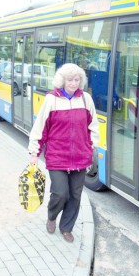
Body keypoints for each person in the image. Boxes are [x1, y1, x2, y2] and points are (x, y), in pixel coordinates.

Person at [28, 63, 100, 243]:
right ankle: (52, 216)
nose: (74, 83)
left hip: (80, 158)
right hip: (57, 156)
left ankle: (66, 227)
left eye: (77, 80)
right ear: (62, 80)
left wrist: (92, 148)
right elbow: (40, 128)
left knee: (75, 196)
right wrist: (34, 152)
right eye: (70, 80)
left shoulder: (86, 99)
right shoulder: (51, 100)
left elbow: (94, 127)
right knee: (61, 193)